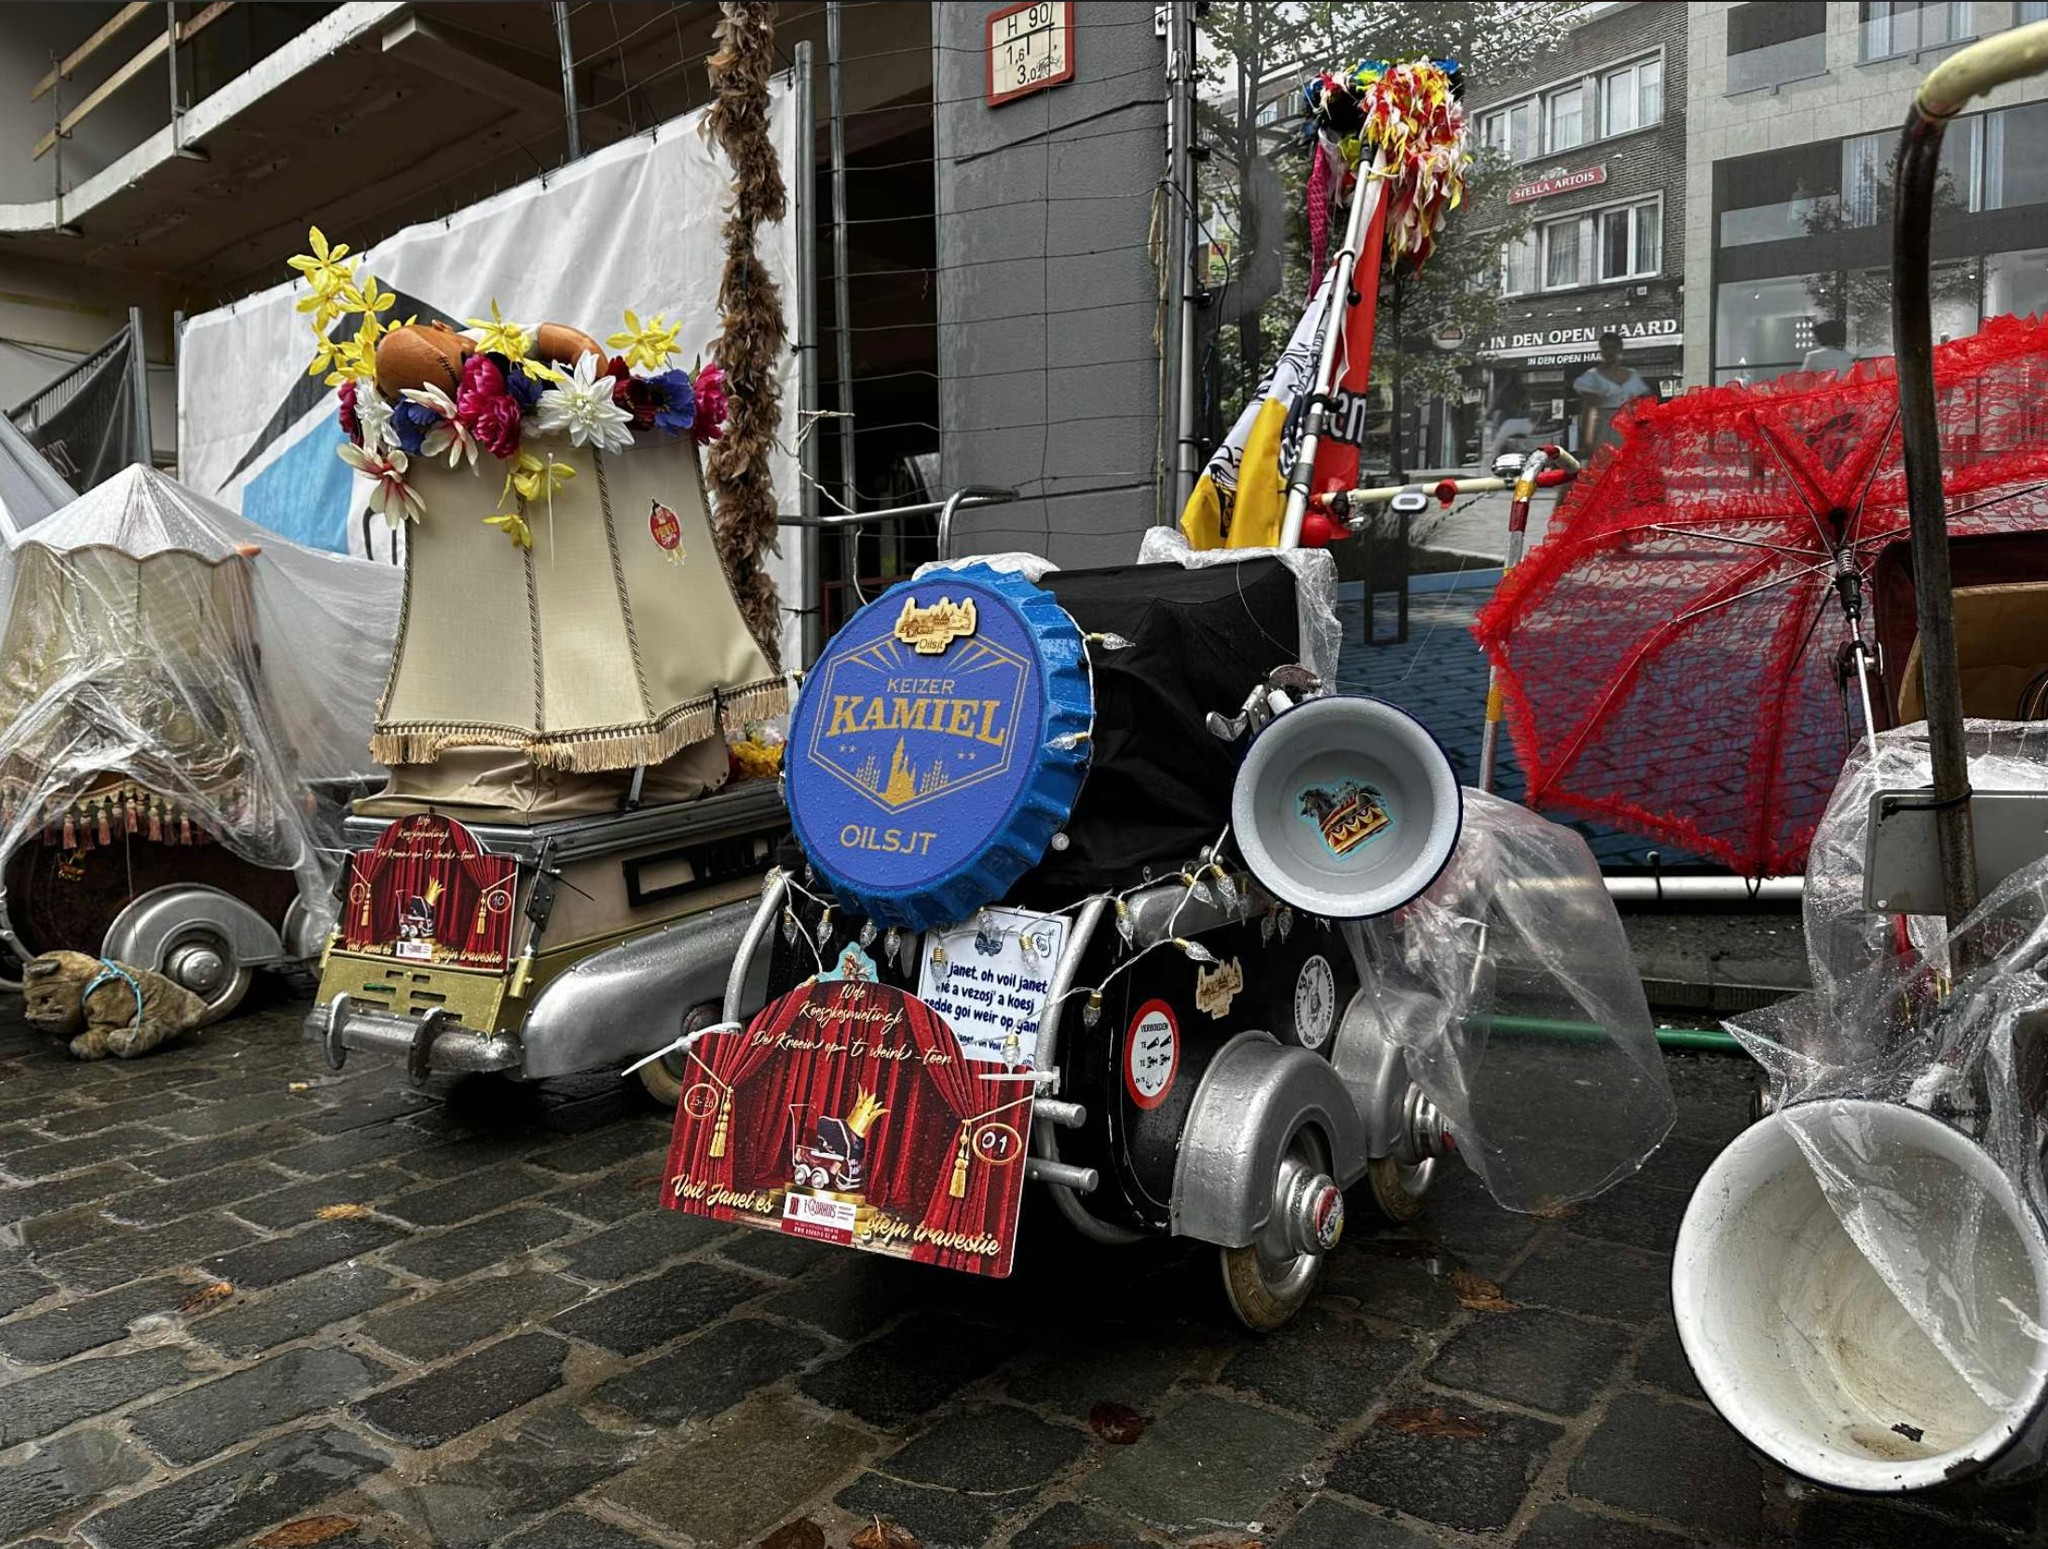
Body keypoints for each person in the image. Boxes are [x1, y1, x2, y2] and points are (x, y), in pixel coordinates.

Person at [1574, 333, 1652, 452]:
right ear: (1601, 351)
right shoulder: (1592, 376)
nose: (1609, 352)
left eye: (1613, 348)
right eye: (1605, 348)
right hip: (1604, 428)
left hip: (1628, 426)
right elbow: (1588, 410)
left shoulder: (1632, 375)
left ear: (1620, 349)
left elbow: (1643, 405)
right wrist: (1587, 441)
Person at [1482, 368, 1535, 466]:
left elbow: (1494, 407)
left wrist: (1489, 415)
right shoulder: (1524, 392)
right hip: (1524, 425)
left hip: (1508, 425)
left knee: (1495, 448)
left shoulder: (1504, 392)